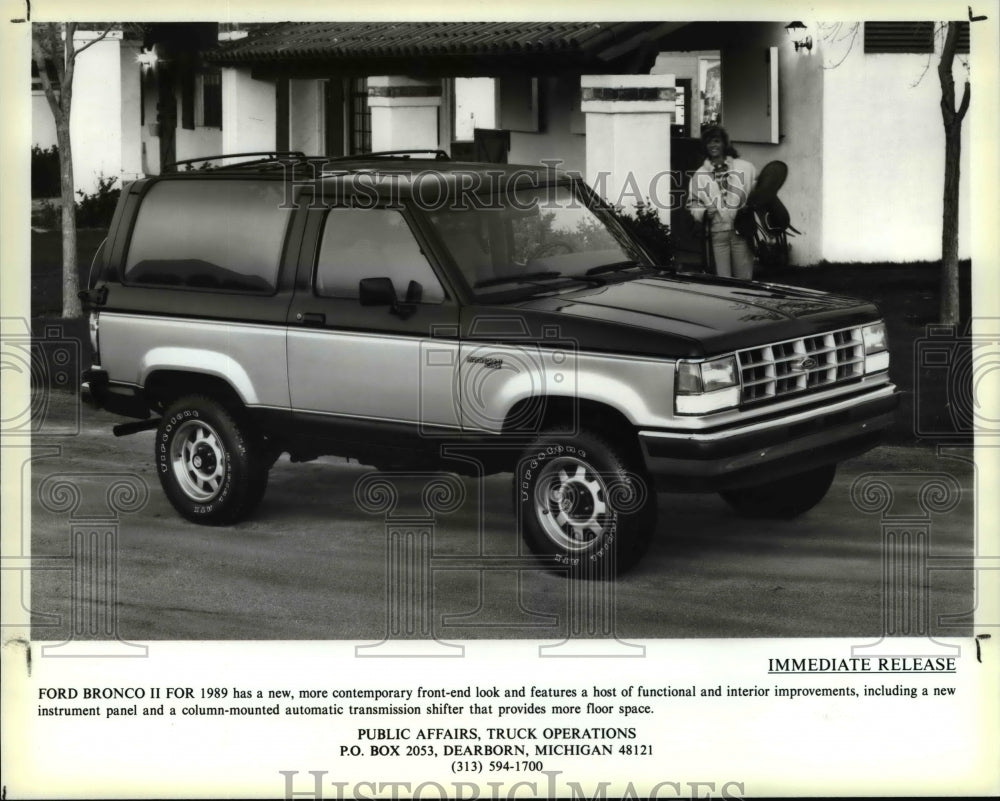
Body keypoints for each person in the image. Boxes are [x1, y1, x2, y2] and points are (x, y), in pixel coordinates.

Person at [687, 125, 757, 279]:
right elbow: (693, 203)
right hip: (717, 232)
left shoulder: (744, 168)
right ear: (705, 146)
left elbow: (755, 195)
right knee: (722, 279)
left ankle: (744, 303)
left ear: (725, 144)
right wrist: (704, 212)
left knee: (744, 277)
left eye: (717, 141)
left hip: (740, 230)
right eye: (709, 142)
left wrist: (747, 207)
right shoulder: (699, 175)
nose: (713, 145)